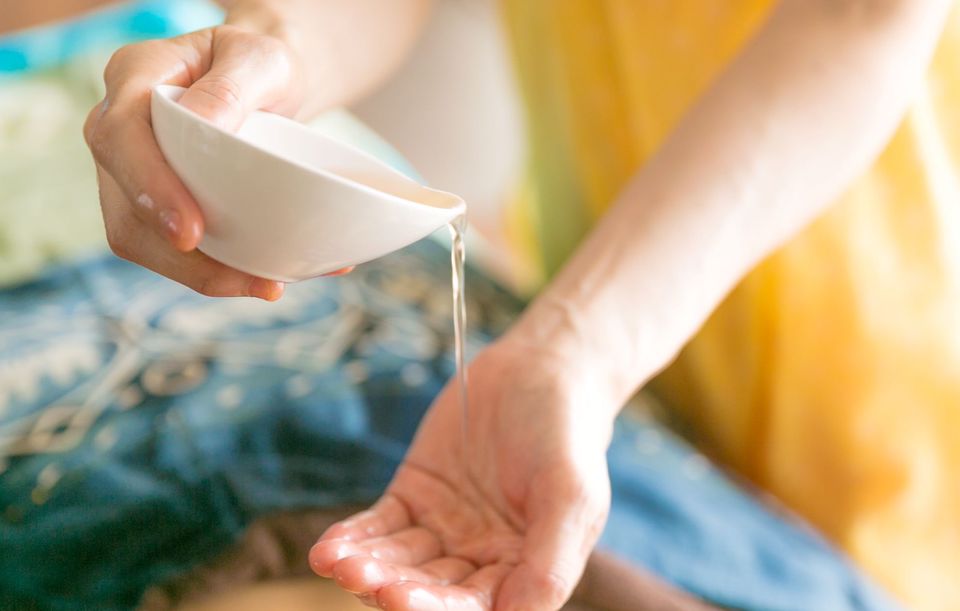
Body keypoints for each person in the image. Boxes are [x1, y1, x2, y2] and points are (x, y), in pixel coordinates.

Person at [82, 1, 957, 610]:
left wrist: (581, 344)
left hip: (872, 364)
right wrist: (276, 48)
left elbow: (860, 16)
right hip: (599, 305)